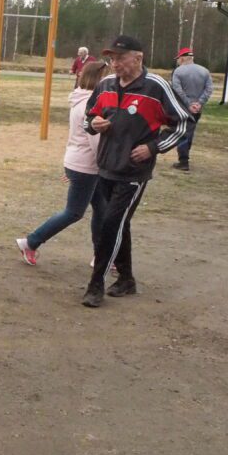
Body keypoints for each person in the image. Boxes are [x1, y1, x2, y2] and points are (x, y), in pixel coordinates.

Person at [80, 35, 190, 308]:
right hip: (105, 166)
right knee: (119, 224)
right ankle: (127, 279)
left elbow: (183, 124)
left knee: (110, 225)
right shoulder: (105, 85)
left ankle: (96, 285)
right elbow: (88, 119)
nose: (114, 64)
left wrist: (154, 148)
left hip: (133, 173)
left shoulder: (156, 87)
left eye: (120, 58)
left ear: (137, 58)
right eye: (112, 58)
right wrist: (95, 124)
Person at [16, 61, 109, 265]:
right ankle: (30, 242)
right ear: (98, 79)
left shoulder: (81, 99)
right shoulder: (90, 104)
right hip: (87, 165)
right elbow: (95, 141)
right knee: (74, 212)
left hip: (81, 162)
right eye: (107, 77)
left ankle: (102, 255)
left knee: (102, 209)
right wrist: (108, 163)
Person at [170, 47, 213, 171]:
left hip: (182, 108)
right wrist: (199, 103)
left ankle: (183, 161)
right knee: (190, 132)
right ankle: (184, 157)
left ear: (182, 58)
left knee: (182, 132)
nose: (177, 61)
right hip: (197, 110)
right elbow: (209, 89)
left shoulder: (178, 72)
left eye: (178, 59)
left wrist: (188, 104)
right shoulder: (205, 71)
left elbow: (177, 90)